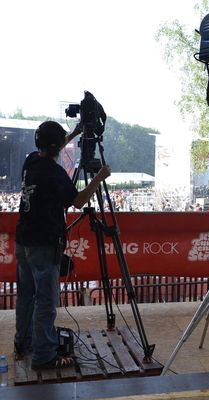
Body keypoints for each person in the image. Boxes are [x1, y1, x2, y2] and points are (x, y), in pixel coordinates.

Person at [14, 120, 111, 369]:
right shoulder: (55, 174)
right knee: (45, 300)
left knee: (26, 295)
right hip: (45, 244)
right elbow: (78, 201)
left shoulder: (31, 161)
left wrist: (74, 133)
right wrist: (99, 177)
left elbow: (53, 148)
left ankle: (23, 343)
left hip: (24, 240)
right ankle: (44, 355)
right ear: (57, 147)